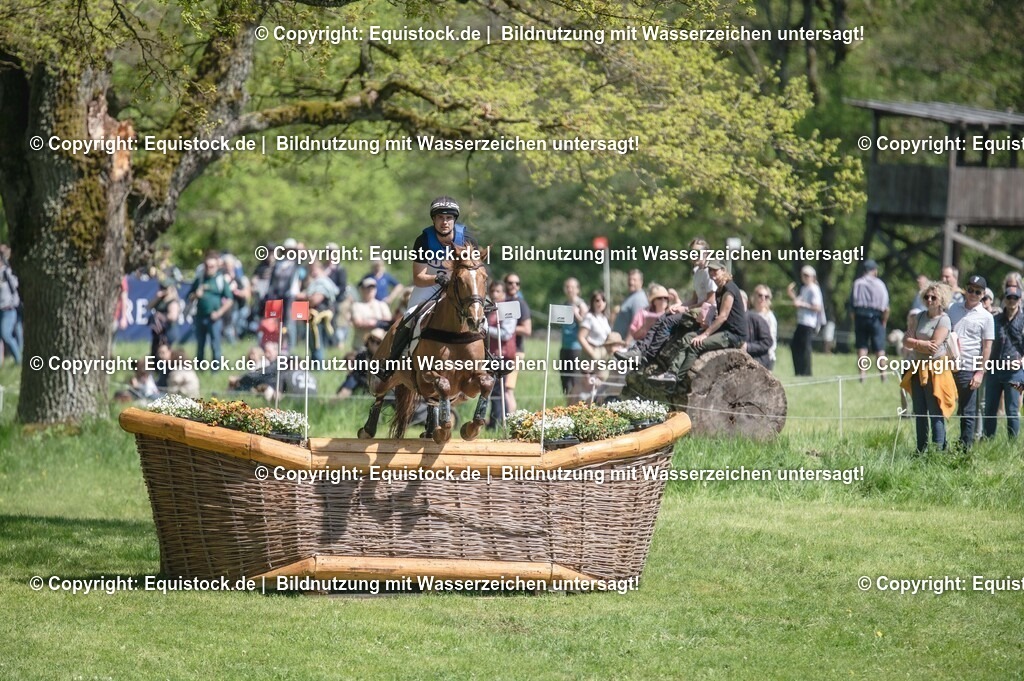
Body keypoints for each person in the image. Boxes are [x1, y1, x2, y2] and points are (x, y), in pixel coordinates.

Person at [380, 196, 478, 377]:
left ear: (454, 220)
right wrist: (438, 278)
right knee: (409, 318)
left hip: (460, 287)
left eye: (449, 218)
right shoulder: (424, 240)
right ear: (433, 219)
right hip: (431, 284)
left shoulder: (467, 240)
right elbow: (418, 278)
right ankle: (392, 363)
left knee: (481, 311)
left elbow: (474, 270)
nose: (444, 222)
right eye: (440, 217)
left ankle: (492, 359)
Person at [648, 261, 748, 387]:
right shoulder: (719, 290)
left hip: (734, 335)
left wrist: (705, 335)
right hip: (724, 330)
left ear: (723, 270)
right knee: (687, 338)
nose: (712, 273)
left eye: (715, 270)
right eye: (710, 270)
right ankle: (671, 374)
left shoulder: (729, 289)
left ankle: (677, 382)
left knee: (697, 345)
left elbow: (723, 317)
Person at [900, 282, 957, 452]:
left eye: (934, 297)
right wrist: (920, 343)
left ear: (942, 300)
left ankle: (938, 449)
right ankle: (921, 449)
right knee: (919, 410)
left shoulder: (944, 320)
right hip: (918, 368)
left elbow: (934, 346)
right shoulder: (919, 317)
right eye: (927, 296)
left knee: (935, 410)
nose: (929, 300)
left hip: (936, 370)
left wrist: (915, 342)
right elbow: (905, 340)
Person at [948, 274, 995, 450]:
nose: (973, 294)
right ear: (965, 289)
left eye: (977, 291)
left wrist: (980, 372)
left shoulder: (986, 317)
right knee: (942, 406)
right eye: (970, 290)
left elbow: (987, 347)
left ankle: (964, 449)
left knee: (967, 412)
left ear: (982, 294)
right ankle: (941, 445)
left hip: (969, 368)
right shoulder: (952, 309)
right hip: (949, 366)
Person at [982, 285, 1024, 439]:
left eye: (1015, 298)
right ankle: (988, 440)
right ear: (1004, 299)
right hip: (994, 368)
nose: (1012, 301)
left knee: (1012, 410)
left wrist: (1021, 362)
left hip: (1015, 372)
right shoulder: (995, 319)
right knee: (990, 409)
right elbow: (987, 342)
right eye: (1009, 297)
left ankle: (1012, 444)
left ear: (1020, 300)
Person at [186, 251, 233, 365]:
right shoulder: (200, 279)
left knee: (215, 344)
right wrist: (196, 295)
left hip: (214, 318)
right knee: (200, 344)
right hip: (200, 316)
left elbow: (229, 299)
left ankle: (216, 369)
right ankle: (200, 367)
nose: (209, 269)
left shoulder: (220, 280)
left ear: (216, 266)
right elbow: (189, 296)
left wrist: (219, 313)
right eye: (207, 266)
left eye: (212, 266)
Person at [485, 280, 517, 428]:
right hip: (491, 355)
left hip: (503, 355)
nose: (494, 294)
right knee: (492, 390)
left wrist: (484, 328)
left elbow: (506, 334)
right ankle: (494, 421)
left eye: (498, 291)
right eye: (492, 291)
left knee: (499, 390)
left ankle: (497, 423)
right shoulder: (489, 309)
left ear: (504, 293)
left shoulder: (507, 309)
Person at [851, 259, 890, 382]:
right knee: (879, 348)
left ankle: (862, 375)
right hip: (876, 318)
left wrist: (855, 320)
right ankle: (883, 374)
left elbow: (852, 306)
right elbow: (886, 307)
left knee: (862, 347)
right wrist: (884, 320)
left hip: (860, 317)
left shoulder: (857, 283)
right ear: (874, 270)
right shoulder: (880, 284)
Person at [787, 265, 824, 377]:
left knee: (805, 348)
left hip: (809, 322)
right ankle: (799, 371)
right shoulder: (804, 288)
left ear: (813, 277)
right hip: (801, 321)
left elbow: (817, 307)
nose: (805, 277)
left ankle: (806, 373)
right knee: (796, 346)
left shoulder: (814, 289)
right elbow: (799, 302)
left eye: (807, 275)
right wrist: (792, 296)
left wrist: (802, 305)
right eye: (803, 275)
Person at [503, 272, 531, 415]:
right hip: (502, 351)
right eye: (510, 282)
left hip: (516, 351)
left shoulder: (521, 303)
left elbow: (527, 329)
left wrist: (506, 328)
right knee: (501, 389)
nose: (514, 285)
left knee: (508, 389)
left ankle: (511, 420)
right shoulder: (502, 302)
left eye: (517, 283)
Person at [302, 261, 341, 361]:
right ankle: (315, 367)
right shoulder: (315, 281)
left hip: (319, 318)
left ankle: (319, 368)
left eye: (313, 269)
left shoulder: (322, 282)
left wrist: (304, 297)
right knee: (313, 346)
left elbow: (315, 299)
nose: (312, 272)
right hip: (313, 318)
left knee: (318, 345)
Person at [559, 277, 588, 395]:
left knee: (575, 379)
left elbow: (586, 325)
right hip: (565, 346)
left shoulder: (581, 304)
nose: (569, 289)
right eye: (567, 287)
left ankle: (575, 407)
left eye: (572, 287)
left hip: (576, 347)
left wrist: (577, 315)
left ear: (577, 289)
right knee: (565, 380)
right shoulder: (565, 304)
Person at [337, 329, 384, 399]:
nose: (374, 344)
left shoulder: (385, 359)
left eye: (378, 342)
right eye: (372, 340)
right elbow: (348, 360)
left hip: (377, 385)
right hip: (359, 380)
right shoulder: (362, 353)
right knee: (350, 381)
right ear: (368, 340)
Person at [147, 277, 181, 356]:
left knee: (166, 353)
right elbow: (149, 307)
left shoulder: (172, 301)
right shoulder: (160, 299)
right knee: (155, 351)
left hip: (168, 330)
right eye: (161, 287)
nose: (163, 289)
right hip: (158, 331)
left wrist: (162, 317)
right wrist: (157, 297)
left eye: (165, 288)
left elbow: (173, 316)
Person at [0, 244, 23, 364]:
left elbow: (15, 287)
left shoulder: (6, 272)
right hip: (1, 309)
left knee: (6, 334)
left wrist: (14, 303)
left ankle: (19, 360)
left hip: (9, 308)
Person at [612, 269, 648, 337]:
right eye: (629, 279)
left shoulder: (639, 299)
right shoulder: (631, 296)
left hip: (629, 345)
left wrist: (627, 343)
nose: (631, 282)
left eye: (634, 280)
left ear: (641, 282)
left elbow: (637, 324)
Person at [742, 291, 773, 369]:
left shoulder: (757, 319)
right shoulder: (729, 320)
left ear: (746, 302)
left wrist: (748, 347)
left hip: (758, 363)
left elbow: (767, 342)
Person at [750, 284, 778, 371]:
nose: (763, 298)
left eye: (766, 296)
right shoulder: (750, 314)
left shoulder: (769, 317)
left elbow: (772, 338)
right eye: (760, 295)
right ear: (754, 296)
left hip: (766, 357)